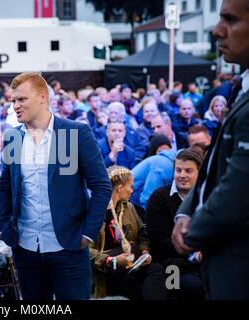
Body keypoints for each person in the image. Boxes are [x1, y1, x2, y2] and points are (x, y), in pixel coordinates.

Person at [0, 72, 112, 300]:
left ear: (42, 97)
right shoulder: (13, 138)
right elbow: (5, 187)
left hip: (69, 247)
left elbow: (101, 187)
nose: (15, 106)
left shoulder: (76, 132)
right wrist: (3, 227)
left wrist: (88, 234)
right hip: (26, 248)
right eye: (13, 101)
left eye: (21, 99)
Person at [172, 0, 249, 299]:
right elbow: (214, 170)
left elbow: (239, 188)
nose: (217, 31)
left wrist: (194, 231)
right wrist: (185, 212)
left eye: (230, 20)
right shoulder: (239, 88)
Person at [89, 166, 167, 300]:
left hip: (131, 263)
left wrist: (144, 252)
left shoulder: (128, 207)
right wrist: (112, 260)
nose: (132, 191)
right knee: (135, 287)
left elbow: (142, 233)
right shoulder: (93, 211)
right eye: (130, 186)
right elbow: (85, 249)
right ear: (119, 188)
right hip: (106, 272)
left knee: (157, 269)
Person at [146, 148, 205, 300]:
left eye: (188, 171)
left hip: (204, 261)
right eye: (178, 170)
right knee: (193, 286)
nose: (182, 175)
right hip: (170, 265)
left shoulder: (207, 197)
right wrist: (194, 254)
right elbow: (159, 244)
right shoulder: (159, 198)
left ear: (199, 172)